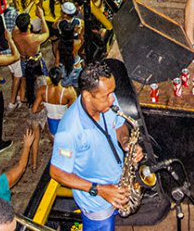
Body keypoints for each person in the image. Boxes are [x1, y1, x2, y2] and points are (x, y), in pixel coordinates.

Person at [49, 62, 143, 231]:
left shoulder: (108, 104)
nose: (112, 98)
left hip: (118, 184)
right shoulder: (69, 131)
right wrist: (99, 190)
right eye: (106, 95)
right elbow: (56, 173)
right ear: (87, 96)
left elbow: (120, 126)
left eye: (112, 92)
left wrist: (125, 142)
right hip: (97, 203)